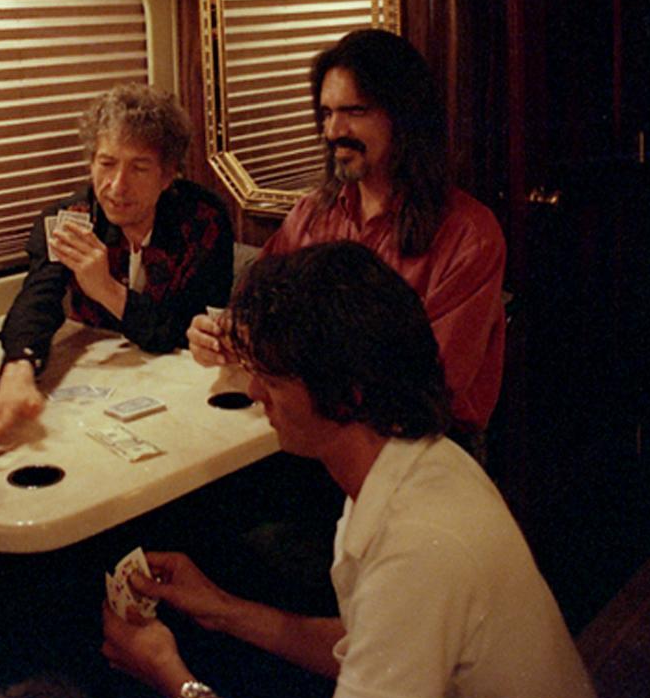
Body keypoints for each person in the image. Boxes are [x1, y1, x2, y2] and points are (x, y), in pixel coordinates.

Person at [102, 243, 599, 698]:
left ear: (349, 394)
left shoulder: (418, 545)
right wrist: (223, 609)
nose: (254, 392)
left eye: (272, 379)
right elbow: (371, 647)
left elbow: (394, 616)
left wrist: (172, 677)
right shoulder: (414, 461)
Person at [187, 28, 506, 441]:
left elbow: (427, 386)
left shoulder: (469, 235)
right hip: (319, 437)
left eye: (354, 111)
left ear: (404, 116)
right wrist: (223, 335)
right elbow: (254, 309)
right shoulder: (311, 215)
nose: (333, 130)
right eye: (326, 113)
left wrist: (283, 351)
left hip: (421, 445)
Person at [0, 83, 234, 452]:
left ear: (168, 176)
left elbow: (187, 328)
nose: (116, 186)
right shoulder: (72, 218)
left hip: (188, 394)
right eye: (106, 164)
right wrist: (18, 370)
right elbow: (37, 300)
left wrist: (106, 289)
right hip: (101, 395)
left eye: (139, 167)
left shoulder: (204, 219)